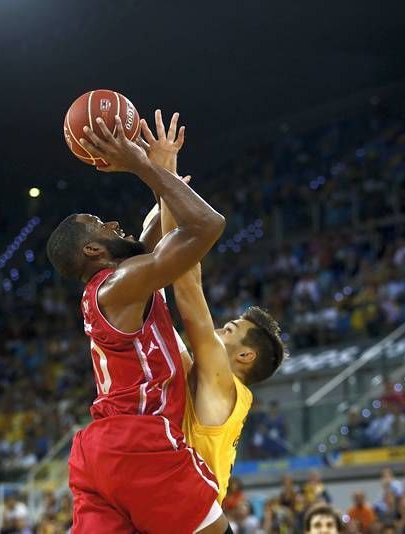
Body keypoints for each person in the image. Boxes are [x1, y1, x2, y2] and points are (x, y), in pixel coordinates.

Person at [48, 114, 228, 533]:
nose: (113, 223)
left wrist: (160, 165)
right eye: (99, 224)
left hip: (97, 454)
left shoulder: (120, 284)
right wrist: (143, 168)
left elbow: (153, 231)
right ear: (93, 248)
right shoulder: (120, 285)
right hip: (138, 441)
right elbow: (206, 226)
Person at [146, 110, 285, 505]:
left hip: (191, 516)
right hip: (187, 513)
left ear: (245, 354)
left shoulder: (224, 384)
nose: (219, 328)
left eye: (229, 329)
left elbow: (186, 283)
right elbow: (162, 282)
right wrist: (164, 187)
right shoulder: (206, 380)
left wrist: (163, 174)